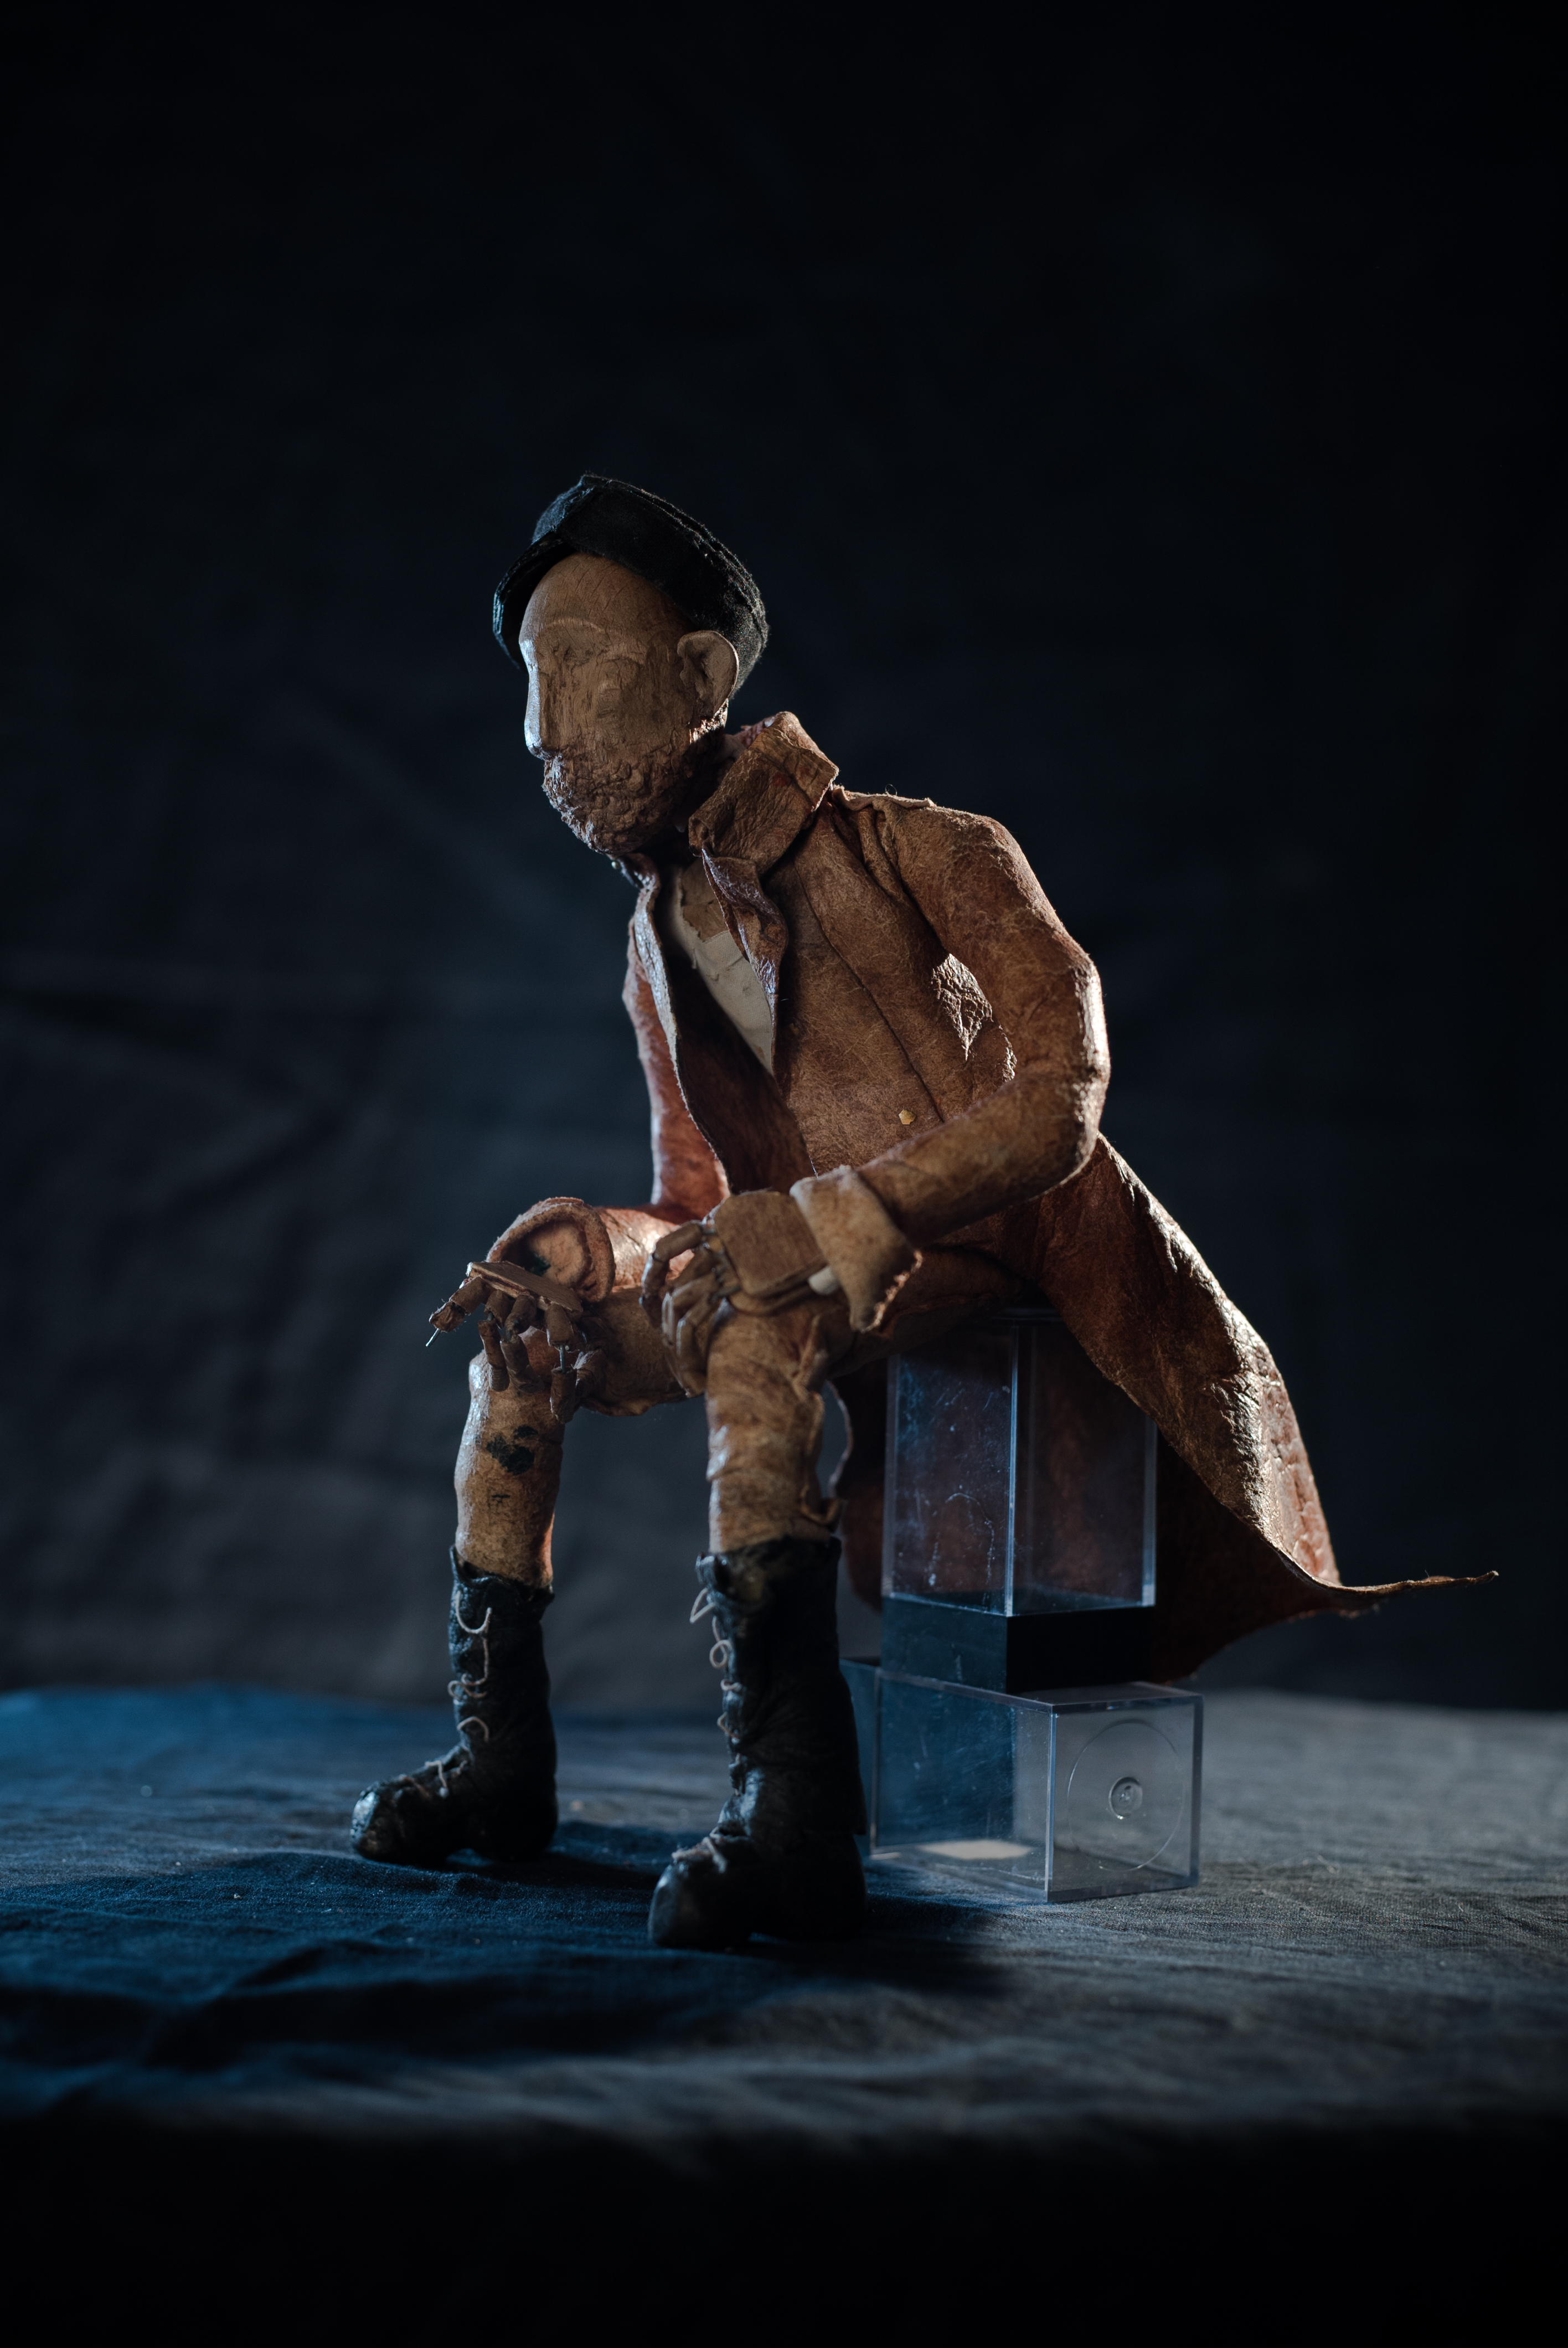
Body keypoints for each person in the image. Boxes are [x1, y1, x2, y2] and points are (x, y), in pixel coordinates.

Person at [351, 475, 1450, 1948]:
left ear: (700, 673)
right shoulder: (654, 932)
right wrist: (611, 1250)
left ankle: (796, 1814)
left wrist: (831, 1219)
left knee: (759, 1321)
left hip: (991, 1252)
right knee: (533, 1305)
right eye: (530, 685)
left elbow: (1063, 1098)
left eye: (581, 669)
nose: (543, 732)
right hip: (806, 1262)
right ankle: (503, 1764)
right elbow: (695, 1200)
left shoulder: (930, 850)